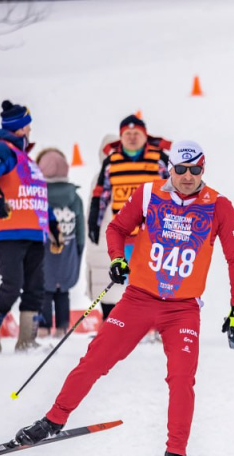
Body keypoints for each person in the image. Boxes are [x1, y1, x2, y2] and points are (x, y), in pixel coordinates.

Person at [12, 140, 234, 456]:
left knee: (182, 380)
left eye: (194, 170)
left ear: (203, 170)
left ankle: (176, 454)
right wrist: (118, 258)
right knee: (94, 360)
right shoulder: (149, 194)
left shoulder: (219, 206)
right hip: (138, 299)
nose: (186, 177)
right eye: (180, 169)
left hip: (182, 310)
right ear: (170, 168)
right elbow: (116, 228)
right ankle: (52, 420)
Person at [0, 100, 50, 353]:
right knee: (12, 283)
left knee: (34, 286)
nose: (30, 131)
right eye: (28, 126)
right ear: (21, 128)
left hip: (34, 232)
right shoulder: (2, 149)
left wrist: (53, 226)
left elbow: (36, 197)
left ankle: (27, 341)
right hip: (9, 229)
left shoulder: (25, 159)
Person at [85, 114, 170, 321]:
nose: (132, 138)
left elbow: (174, 190)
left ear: (145, 136)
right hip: (128, 234)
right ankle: (138, 322)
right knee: (134, 281)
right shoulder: (112, 162)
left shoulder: (159, 159)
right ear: (121, 137)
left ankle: (161, 322)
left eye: (137, 134)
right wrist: (94, 224)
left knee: (159, 279)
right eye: (128, 134)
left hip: (156, 235)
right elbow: (101, 194)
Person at [35, 148, 85, 338]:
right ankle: (63, 328)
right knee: (63, 290)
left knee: (44, 290)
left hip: (43, 251)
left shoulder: (37, 195)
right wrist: (79, 249)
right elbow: (80, 229)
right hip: (68, 250)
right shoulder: (75, 198)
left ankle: (43, 328)